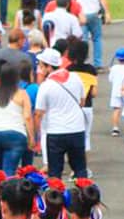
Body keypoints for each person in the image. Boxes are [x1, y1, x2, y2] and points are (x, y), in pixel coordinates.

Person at [35, 48, 87, 179]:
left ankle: (55, 197)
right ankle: (86, 197)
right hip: (77, 129)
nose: (40, 68)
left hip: (55, 131)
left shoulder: (46, 86)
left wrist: (36, 135)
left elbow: (38, 113)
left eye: (41, 65)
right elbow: (82, 101)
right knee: (80, 168)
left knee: (55, 172)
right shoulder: (75, 77)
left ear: (48, 66)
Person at [0, 65, 34, 175]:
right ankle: (9, 189)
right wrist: (31, 137)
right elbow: (27, 117)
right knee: (9, 170)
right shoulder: (21, 93)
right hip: (15, 134)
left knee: (1, 168)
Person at [69, 0, 110, 69]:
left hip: (80, 12)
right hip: (94, 12)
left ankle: (82, 61)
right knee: (97, 38)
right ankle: (98, 63)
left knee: (83, 39)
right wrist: (107, 12)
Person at [108, 48, 124, 137]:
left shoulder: (114, 68)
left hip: (116, 91)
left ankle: (115, 128)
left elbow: (110, 79)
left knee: (116, 109)